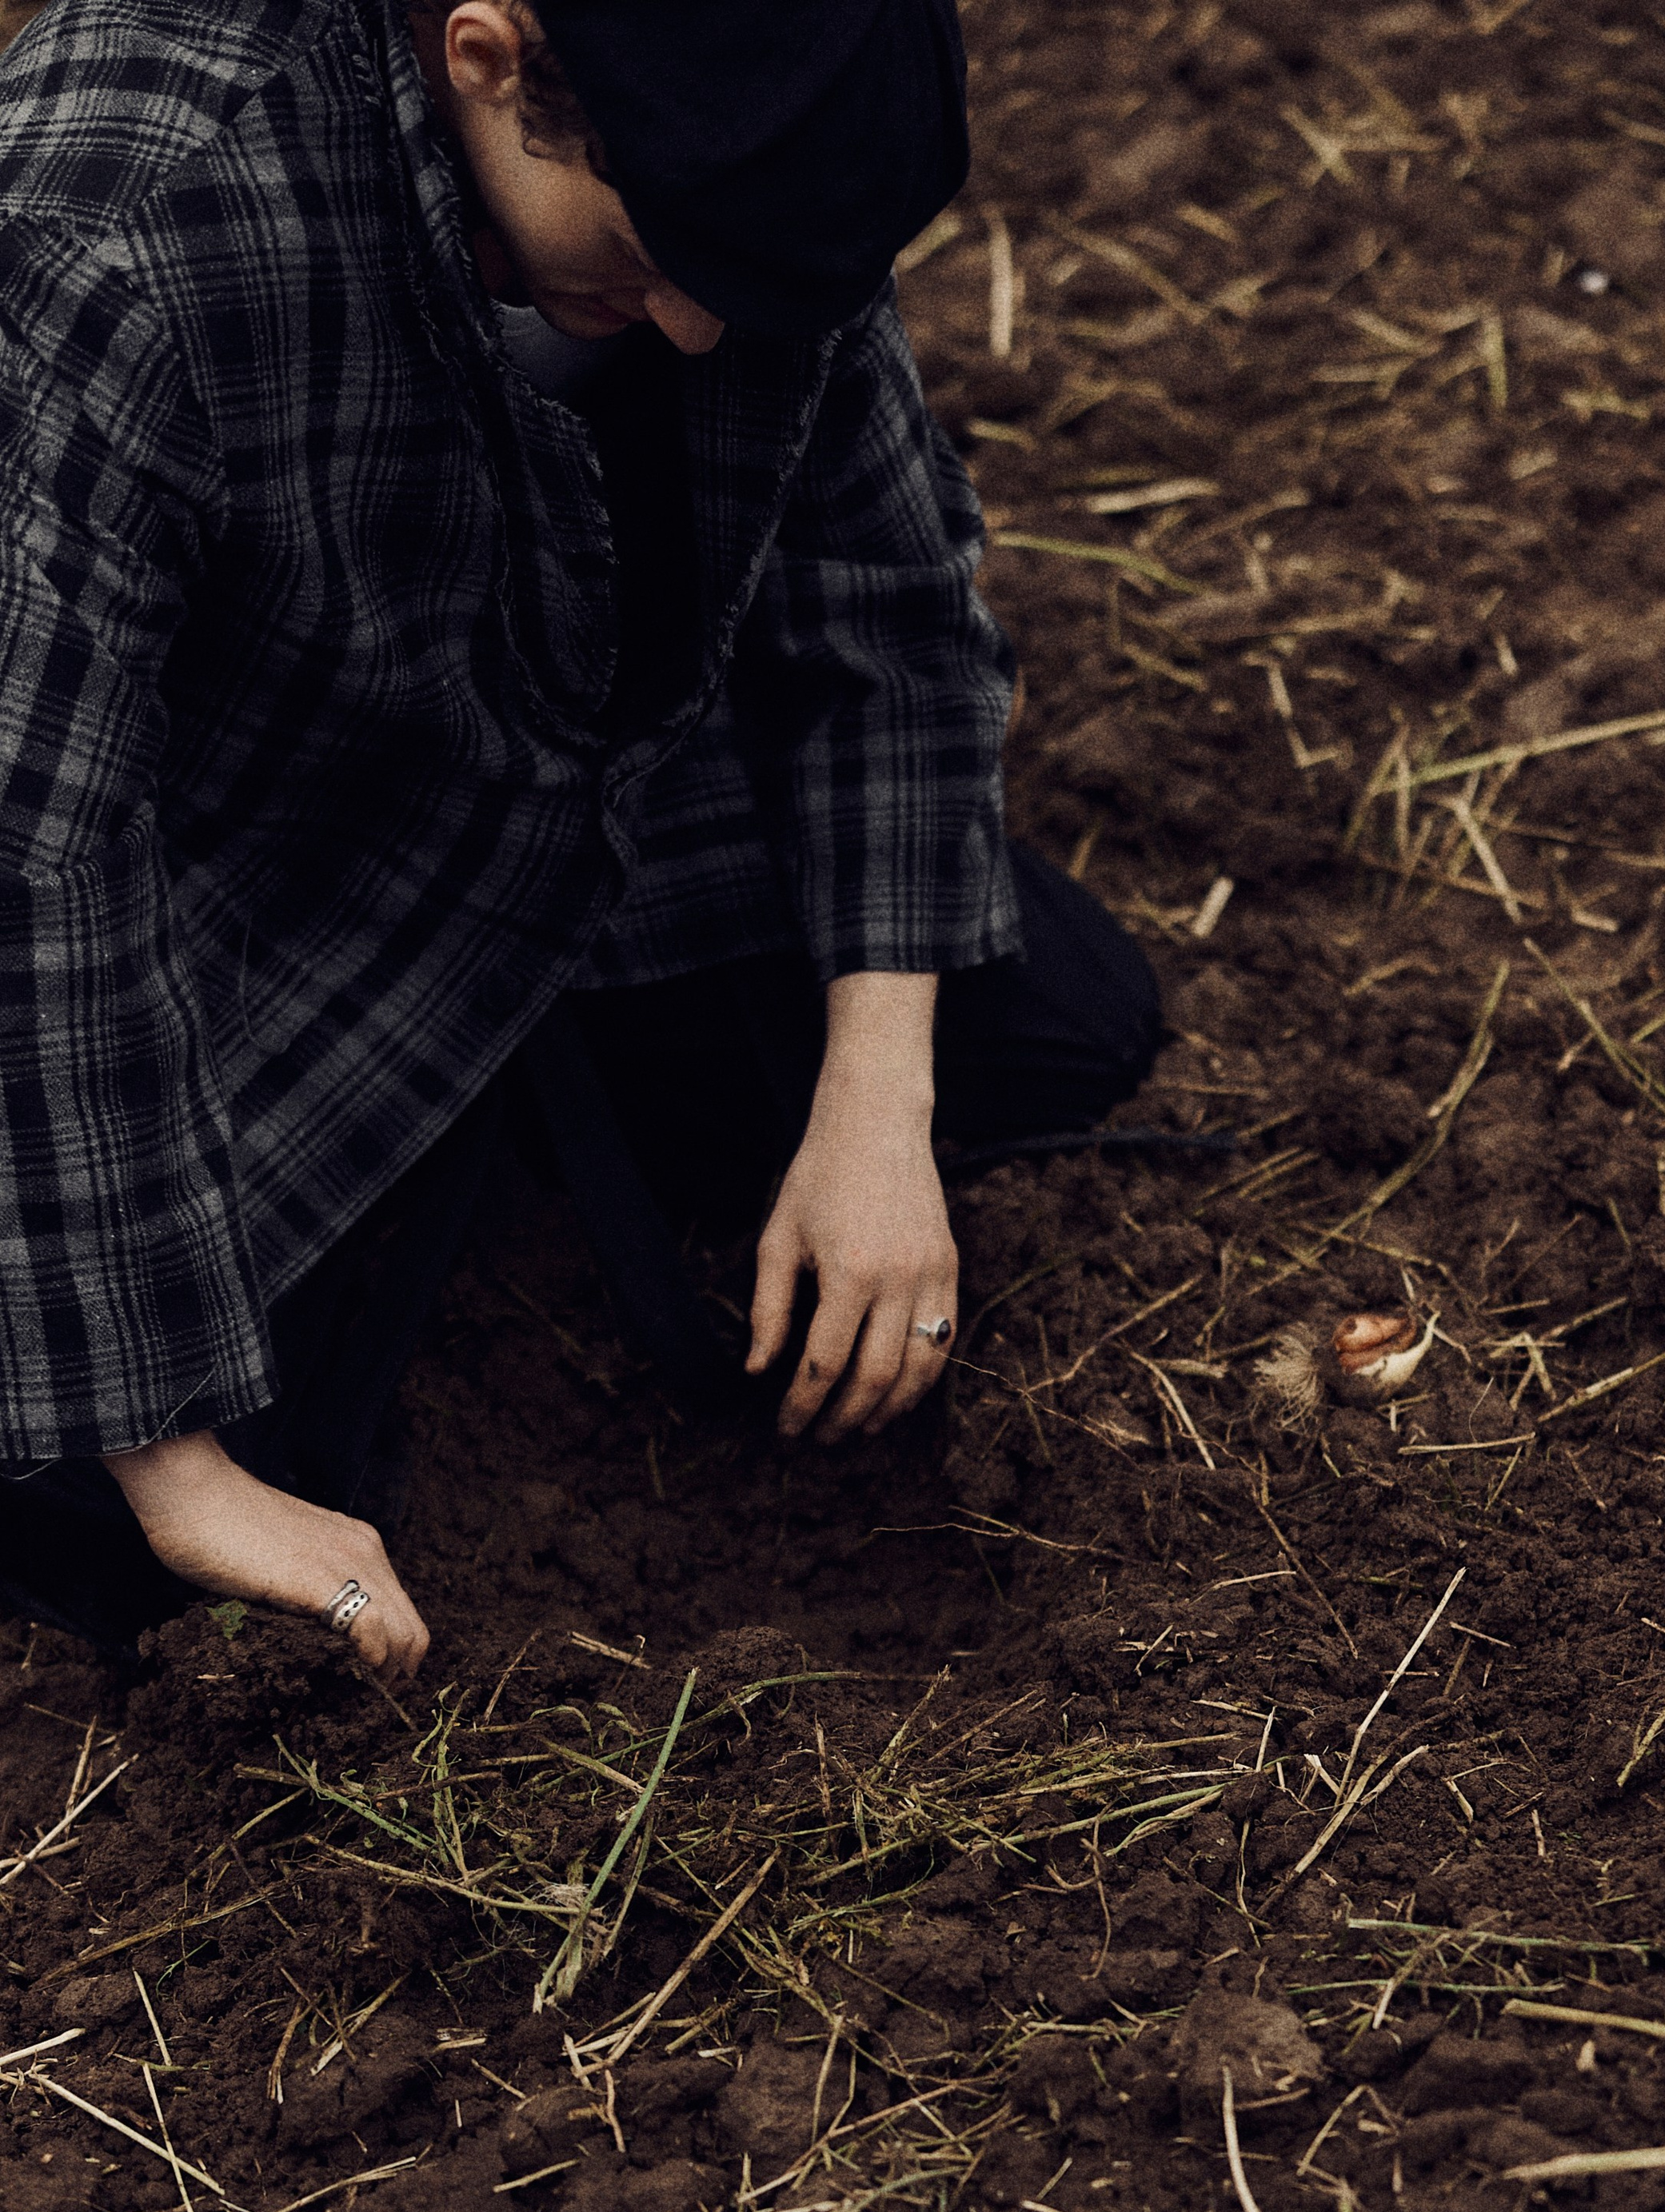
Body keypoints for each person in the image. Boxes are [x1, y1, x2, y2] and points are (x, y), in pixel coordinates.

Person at [0, 0, 1160, 1670]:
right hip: (252, 862)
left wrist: (873, 1100)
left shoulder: (745, 147)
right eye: (658, 257)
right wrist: (173, 1469)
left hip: (582, 761)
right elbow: (40, 869)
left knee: (1055, 1028)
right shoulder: (113, 225)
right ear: (490, 59)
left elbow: (888, 601)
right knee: (105, 1528)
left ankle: (512, 1110)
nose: (696, 330)